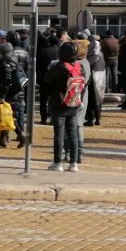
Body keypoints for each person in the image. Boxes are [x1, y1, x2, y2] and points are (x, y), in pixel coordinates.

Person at [43, 42, 87, 172]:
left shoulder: (60, 66)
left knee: (59, 134)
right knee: (73, 134)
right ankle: (73, 163)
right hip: (74, 103)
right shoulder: (80, 67)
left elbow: (46, 79)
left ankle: (58, 163)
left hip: (59, 103)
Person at [0, 42, 27, 148]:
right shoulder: (13, 59)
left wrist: (2, 96)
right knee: (4, 115)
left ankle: (22, 136)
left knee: (9, 117)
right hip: (15, 93)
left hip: (10, 94)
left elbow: (6, 82)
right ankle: (3, 139)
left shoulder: (5, 63)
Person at [36, 35, 59, 124]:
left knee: (43, 99)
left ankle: (43, 118)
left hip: (44, 78)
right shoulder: (59, 51)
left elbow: (38, 67)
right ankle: (53, 117)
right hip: (56, 79)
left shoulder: (42, 51)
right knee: (54, 99)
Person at [85, 38, 107, 127]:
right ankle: (98, 118)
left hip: (93, 81)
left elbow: (87, 68)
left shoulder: (91, 57)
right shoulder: (101, 56)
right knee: (99, 100)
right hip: (101, 80)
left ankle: (90, 119)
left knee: (91, 100)